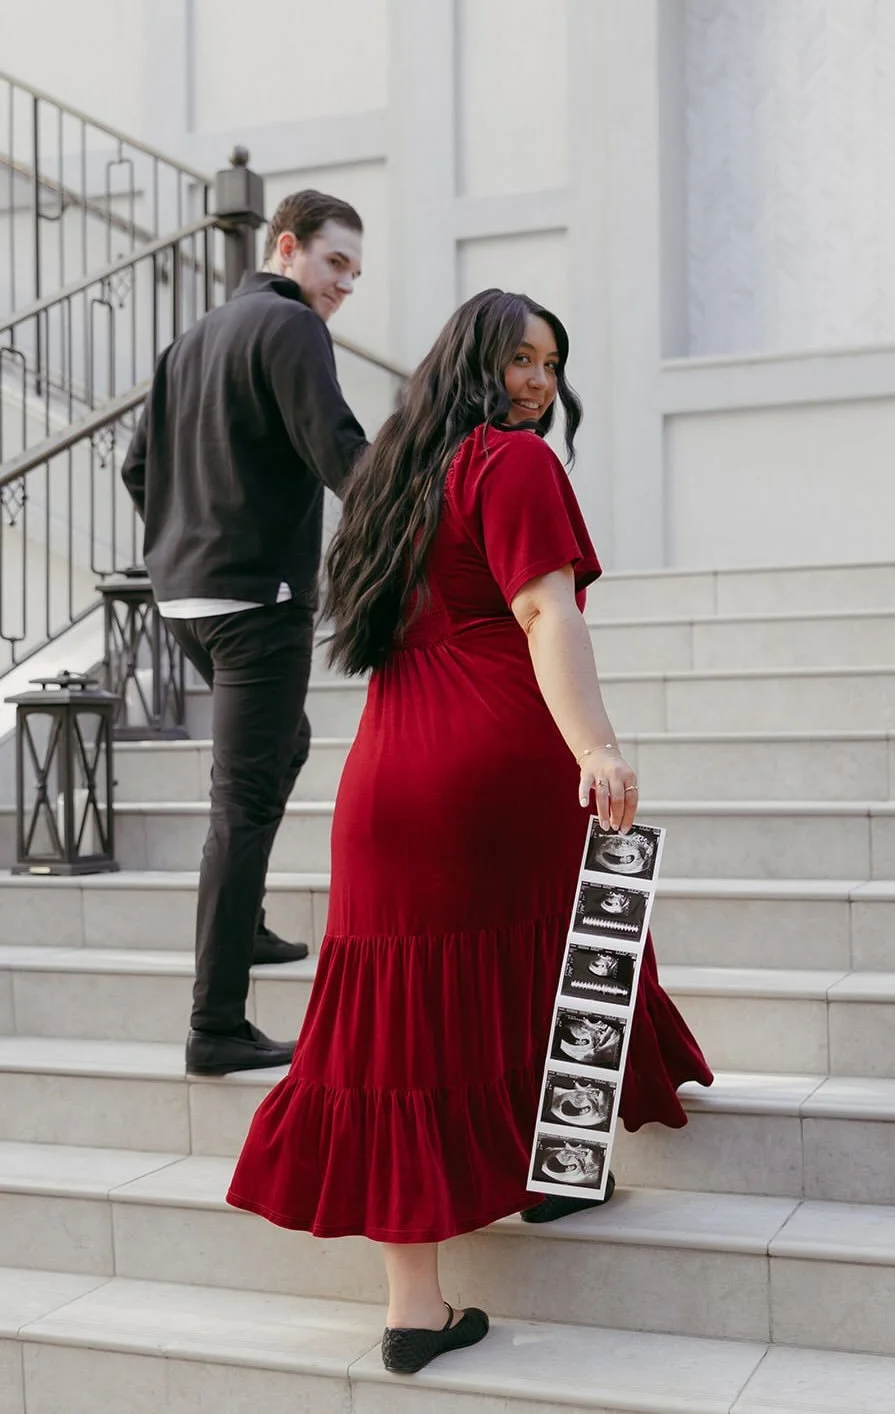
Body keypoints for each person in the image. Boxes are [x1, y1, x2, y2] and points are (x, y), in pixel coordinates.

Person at [226, 288, 712, 1372]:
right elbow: (544, 609)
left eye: (551, 363)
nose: (539, 384)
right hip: (493, 760)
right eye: (520, 362)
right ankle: (552, 1170)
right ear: (472, 369)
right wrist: (595, 747)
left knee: (397, 1022)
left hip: (388, 775)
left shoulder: (394, 481)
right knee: (559, 948)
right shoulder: (512, 463)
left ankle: (419, 1304)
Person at [122, 190, 369, 1077]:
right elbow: (336, 444)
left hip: (185, 598)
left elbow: (135, 463)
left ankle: (246, 921)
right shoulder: (292, 328)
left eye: (353, 273)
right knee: (244, 801)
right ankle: (216, 1025)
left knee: (283, 744)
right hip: (257, 603)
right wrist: (422, 518)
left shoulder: (192, 339)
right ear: (288, 246)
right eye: (334, 263)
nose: (343, 285)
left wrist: (176, 546)